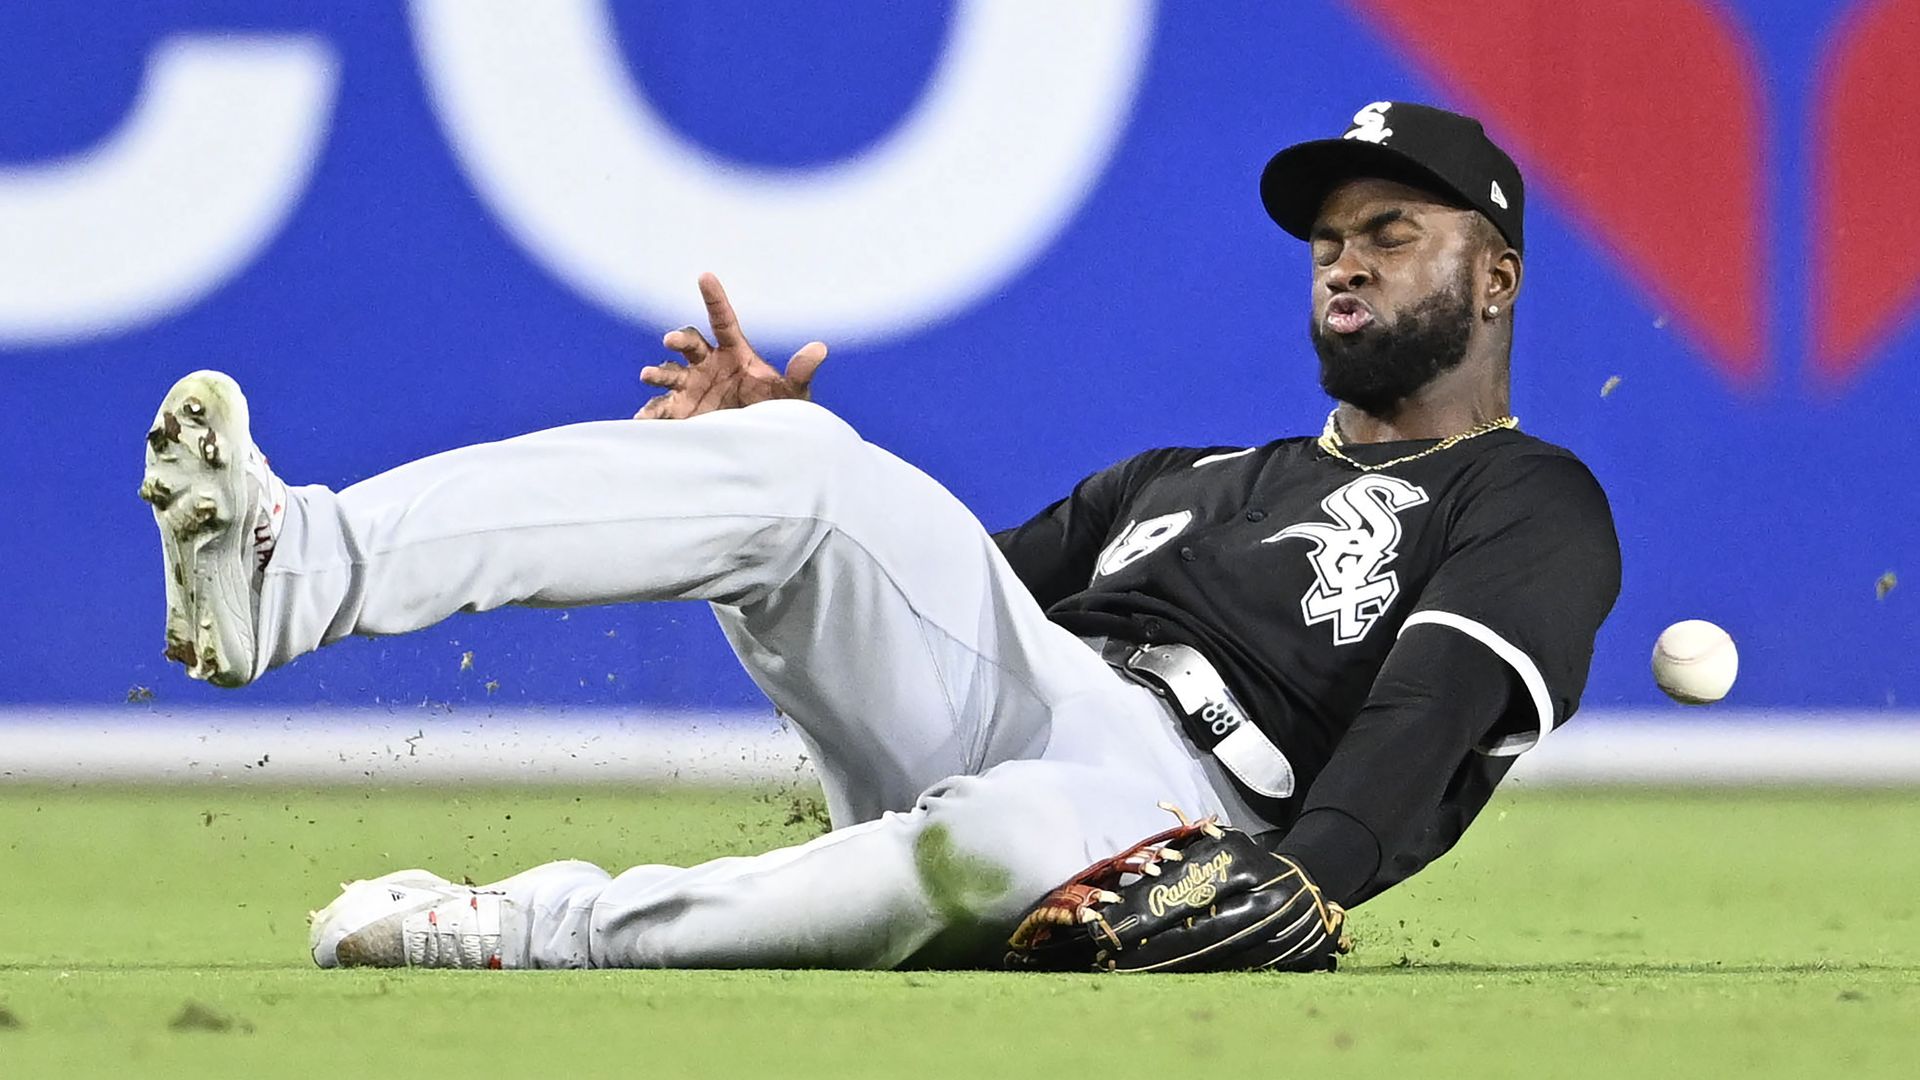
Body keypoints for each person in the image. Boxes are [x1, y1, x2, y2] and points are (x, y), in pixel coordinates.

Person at [138, 101, 1619, 971]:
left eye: (1391, 234)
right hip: (1033, 707)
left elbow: (1436, 706)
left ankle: (525, 925)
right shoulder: (1185, 475)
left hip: (1197, 831)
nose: (1345, 263)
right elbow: (938, 609)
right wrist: (772, 470)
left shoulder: (1528, 496)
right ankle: (288, 567)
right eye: (1329, 241)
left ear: (1496, 278)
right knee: (803, 464)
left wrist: (1318, 880)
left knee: (1013, 834)